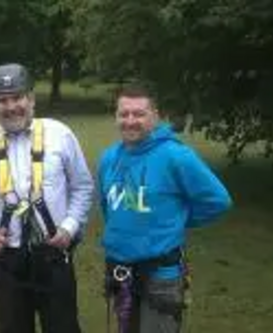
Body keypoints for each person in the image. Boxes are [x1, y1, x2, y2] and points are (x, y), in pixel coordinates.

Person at [0, 63, 94, 333]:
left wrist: (70, 227)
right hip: (5, 259)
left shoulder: (59, 135)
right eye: (2, 100)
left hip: (54, 253)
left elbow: (82, 187)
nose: (10, 106)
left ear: (31, 99)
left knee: (63, 327)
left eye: (17, 97)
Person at [97, 81, 232, 333]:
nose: (130, 120)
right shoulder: (109, 158)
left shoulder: (176, 156)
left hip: (161, 276)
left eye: (139, 113)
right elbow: (108, 207)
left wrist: (177, 220)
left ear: (155, 116)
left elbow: (218, 201)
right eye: (123, 114)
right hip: (120, 270)